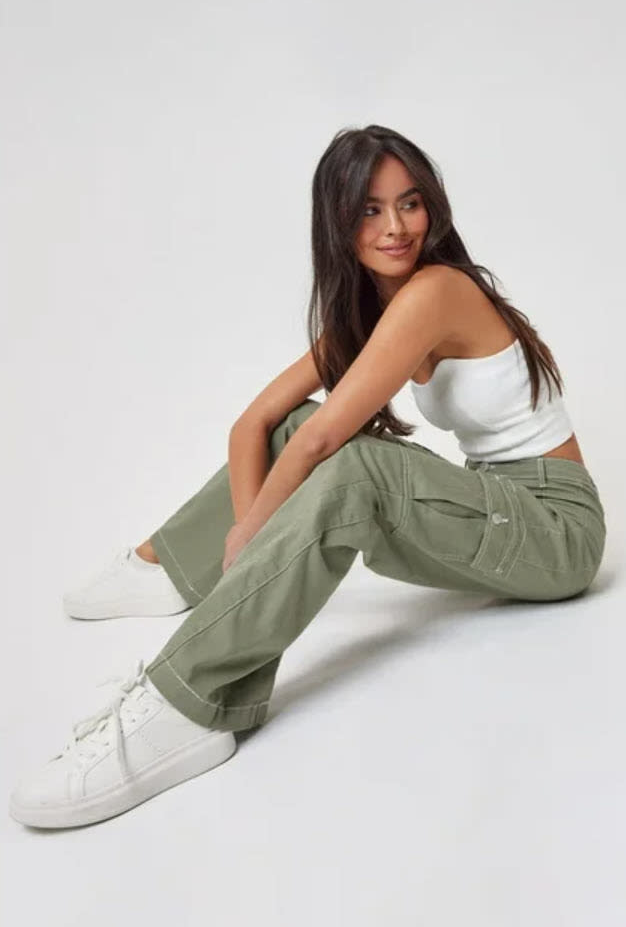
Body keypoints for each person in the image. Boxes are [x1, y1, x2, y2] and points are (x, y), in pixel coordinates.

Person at [9, 124, 606, 829]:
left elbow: (330, 439)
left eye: (410, 204)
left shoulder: (438, 290)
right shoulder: (376, 310)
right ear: (338, 220)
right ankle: (168, 567)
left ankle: (183, 704)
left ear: (433, 208)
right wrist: (242, 542)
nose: (395, 227)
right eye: (369, 210)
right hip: (496, 509)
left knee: (350, 462)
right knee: (301, 431)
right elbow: (258, 424)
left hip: (554, 530)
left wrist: (252, 535)